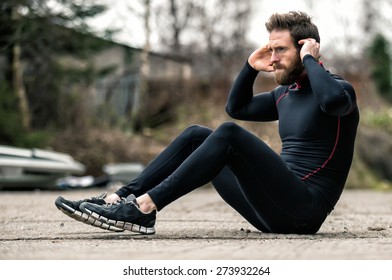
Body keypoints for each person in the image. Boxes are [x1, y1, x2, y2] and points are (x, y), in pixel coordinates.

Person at [55, 11, 359, 235]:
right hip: (268, 210)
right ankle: (118, 198)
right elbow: (236, 108)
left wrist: (310, 60)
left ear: (307, 47)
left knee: (228, 135)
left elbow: (331, 102)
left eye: (281, 49)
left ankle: (144, 208)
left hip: (304, 212)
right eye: (270, 48)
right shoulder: (284, 95)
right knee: (197, 135)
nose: (273, 57)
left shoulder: (339, 91)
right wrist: (250, 68)